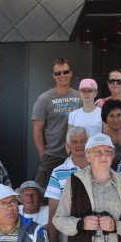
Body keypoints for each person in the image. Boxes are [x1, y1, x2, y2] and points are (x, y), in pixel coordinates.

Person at [31, 58, 82, 188]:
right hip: (52, 155)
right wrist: (43, 155)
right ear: (53, 76)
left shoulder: (80, 97)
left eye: (65, 72)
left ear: (71, 73)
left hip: (76, 154)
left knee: (75, 192)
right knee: (42, 192)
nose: (62, 75)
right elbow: (37, 129)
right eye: (58, 73)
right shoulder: (44, 99)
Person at [101, 98, 121, 163]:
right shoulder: (99, 141)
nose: (115, 119)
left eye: (119, 115)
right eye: (111, 116)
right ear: (105, 119)